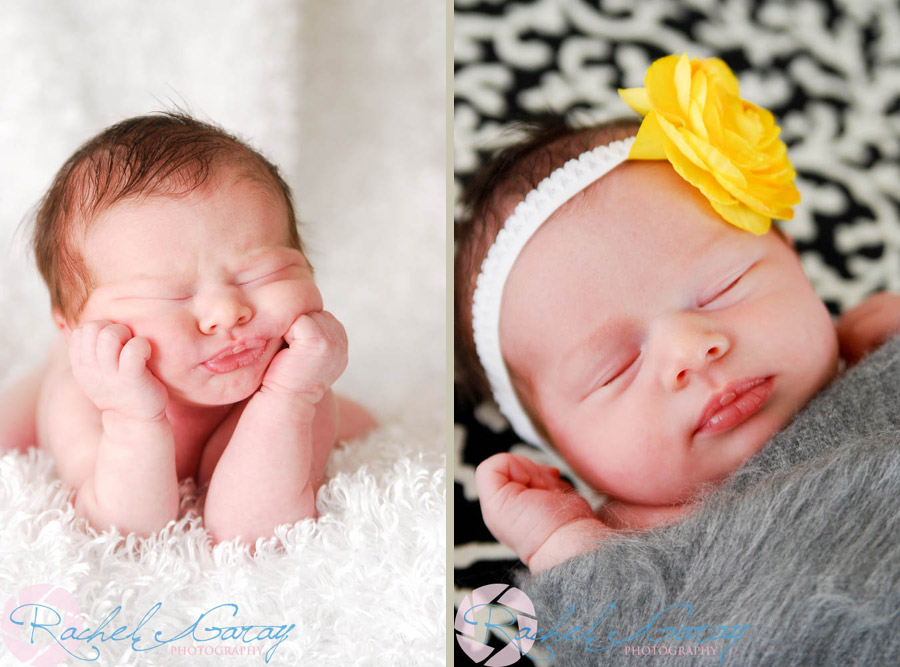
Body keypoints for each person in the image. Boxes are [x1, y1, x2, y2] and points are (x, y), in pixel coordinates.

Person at [454, 54, 900, 573]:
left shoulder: (876, 367)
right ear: (560, 451)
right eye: (615, 368)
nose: (693, 348)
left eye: (723, 288)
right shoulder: (629, 555)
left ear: (791, 258)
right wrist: (562, 548)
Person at [0, 112, 376, 545]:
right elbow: (124, 534)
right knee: (11, 430)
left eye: (259, 273)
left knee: (360, 423)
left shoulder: (297, 381)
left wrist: (288, 398)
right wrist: (132, 419)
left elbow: (251, 533)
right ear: (76, 328)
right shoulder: (83, 401)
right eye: (170, 296)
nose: (226, 311)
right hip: (71, 385)